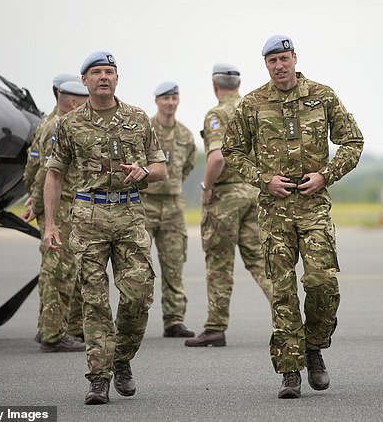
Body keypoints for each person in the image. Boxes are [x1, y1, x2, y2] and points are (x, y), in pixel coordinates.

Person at [222, 35, 364, 399]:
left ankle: (313, 345)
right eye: (272, 61)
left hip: (314, 207)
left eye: (284, 58)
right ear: (265, 65)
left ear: (295, 58)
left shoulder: (322, 95)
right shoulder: (252, 103)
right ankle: (290, 371)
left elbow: (353, 141)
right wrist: (262, 180)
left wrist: (327, 175)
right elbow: (232, 151)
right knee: (282, 292)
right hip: (273, 212)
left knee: (322, 284)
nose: (278, 66)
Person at [43, 51, 166, 405]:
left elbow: (161, 169)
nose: (103, 77)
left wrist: (144, 172)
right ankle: (99, 378)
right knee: (94, 303)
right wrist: (50, 223)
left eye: (110, 72)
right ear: (84, 81)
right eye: (96, 72)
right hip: (88, 217)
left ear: (117, 78)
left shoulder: (138, 118)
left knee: (138, 296)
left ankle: (121, 357)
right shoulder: (69, 124)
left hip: (129, 215)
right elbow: (54, 173)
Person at [185, 63, 273, 348]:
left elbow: (217, 158)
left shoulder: (217, 114)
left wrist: (206, 188)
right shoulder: (254, 108)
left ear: (215, 86)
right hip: (253, 192)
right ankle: (289, 318)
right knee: (261, 262)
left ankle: (215, 326)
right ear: (238, 84)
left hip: (225, 197)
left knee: (219, 264)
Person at [23, 80, 89, 352]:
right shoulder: (59, 127)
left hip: (64, 205)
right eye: (84, 101)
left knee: (60, 268)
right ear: (73, 102)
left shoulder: (55, 124)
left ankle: (49, 327)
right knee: (58, 270)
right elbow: (45, 173)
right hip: (60, 207)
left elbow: (34, 166)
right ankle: (53, 334)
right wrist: (38, 205)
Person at [142, 81, 196, 338]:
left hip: (173, 205)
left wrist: (172, 184)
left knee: (174, 264)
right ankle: (135, 319)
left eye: (174, 98)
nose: (170, 103)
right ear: (157, 101)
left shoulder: (186, 135)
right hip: (146, 203)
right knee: (138, 265)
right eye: (165, 98)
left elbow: (186, 168)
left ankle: (174, 320)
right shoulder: (145, 130)